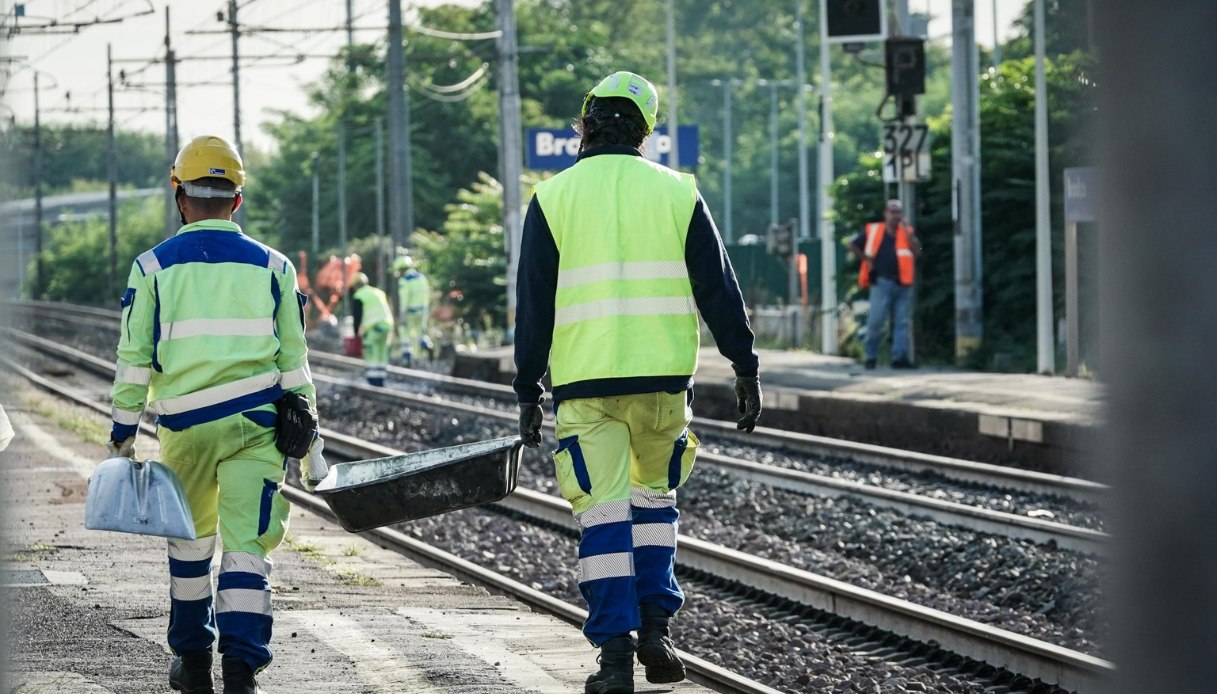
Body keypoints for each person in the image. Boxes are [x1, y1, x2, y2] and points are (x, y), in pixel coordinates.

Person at [513, 71, 763, 694]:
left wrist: (527, 390)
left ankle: (617, 654)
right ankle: (657, 628)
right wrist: (745, 365)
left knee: (603, 518)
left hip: (586, 387)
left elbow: (534, 305)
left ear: (586, 122)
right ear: (646, 131)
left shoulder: (553, 197)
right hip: (663, 386)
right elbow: (719, 288)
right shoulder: (679, 193)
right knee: (654, 506)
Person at [108, 135, 325, 694]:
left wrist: (122, 436)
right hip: (258, 428)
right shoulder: (274, 268)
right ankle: (241, 668)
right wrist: (315, 452)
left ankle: (193, 662)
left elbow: (133, 359)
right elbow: (294, 362)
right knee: (247, 548)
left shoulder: (151, 266)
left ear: (179, 195)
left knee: (190, 548)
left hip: (185, 431)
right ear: (238, 199)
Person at [849, 199, 923, 369]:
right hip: (882, 282)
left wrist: (907, 233)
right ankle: (871, 357)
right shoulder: (874, 230)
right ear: (886, 213)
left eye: (898, 212)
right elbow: (853, 245)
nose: (895, 216)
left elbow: (917, 252)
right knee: (876, 321)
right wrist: (867, 260)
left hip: (903, 283)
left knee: (902, 322)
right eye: (892, 212)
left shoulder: (907, 232)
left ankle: (899, 358)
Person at [348, 272, 394, 386]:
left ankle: (373, 381)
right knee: (381, 351)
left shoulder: (359, 295)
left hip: (373, 327)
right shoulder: (378, 292)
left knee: (371, 351)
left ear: (355, 285)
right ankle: (381, 379)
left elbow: (357, 317)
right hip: (387, 325)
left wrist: (356, 333)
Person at [392, 255, 432, 367]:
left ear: (401, 269)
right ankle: (425, 344)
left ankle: (406, 356)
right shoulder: (421, 278)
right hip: (422, 309)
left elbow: (404, 300)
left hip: (410, 311)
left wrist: (401, 315)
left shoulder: (405, 281)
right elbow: (427, 294)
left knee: (404, 330)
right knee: (420, 332)